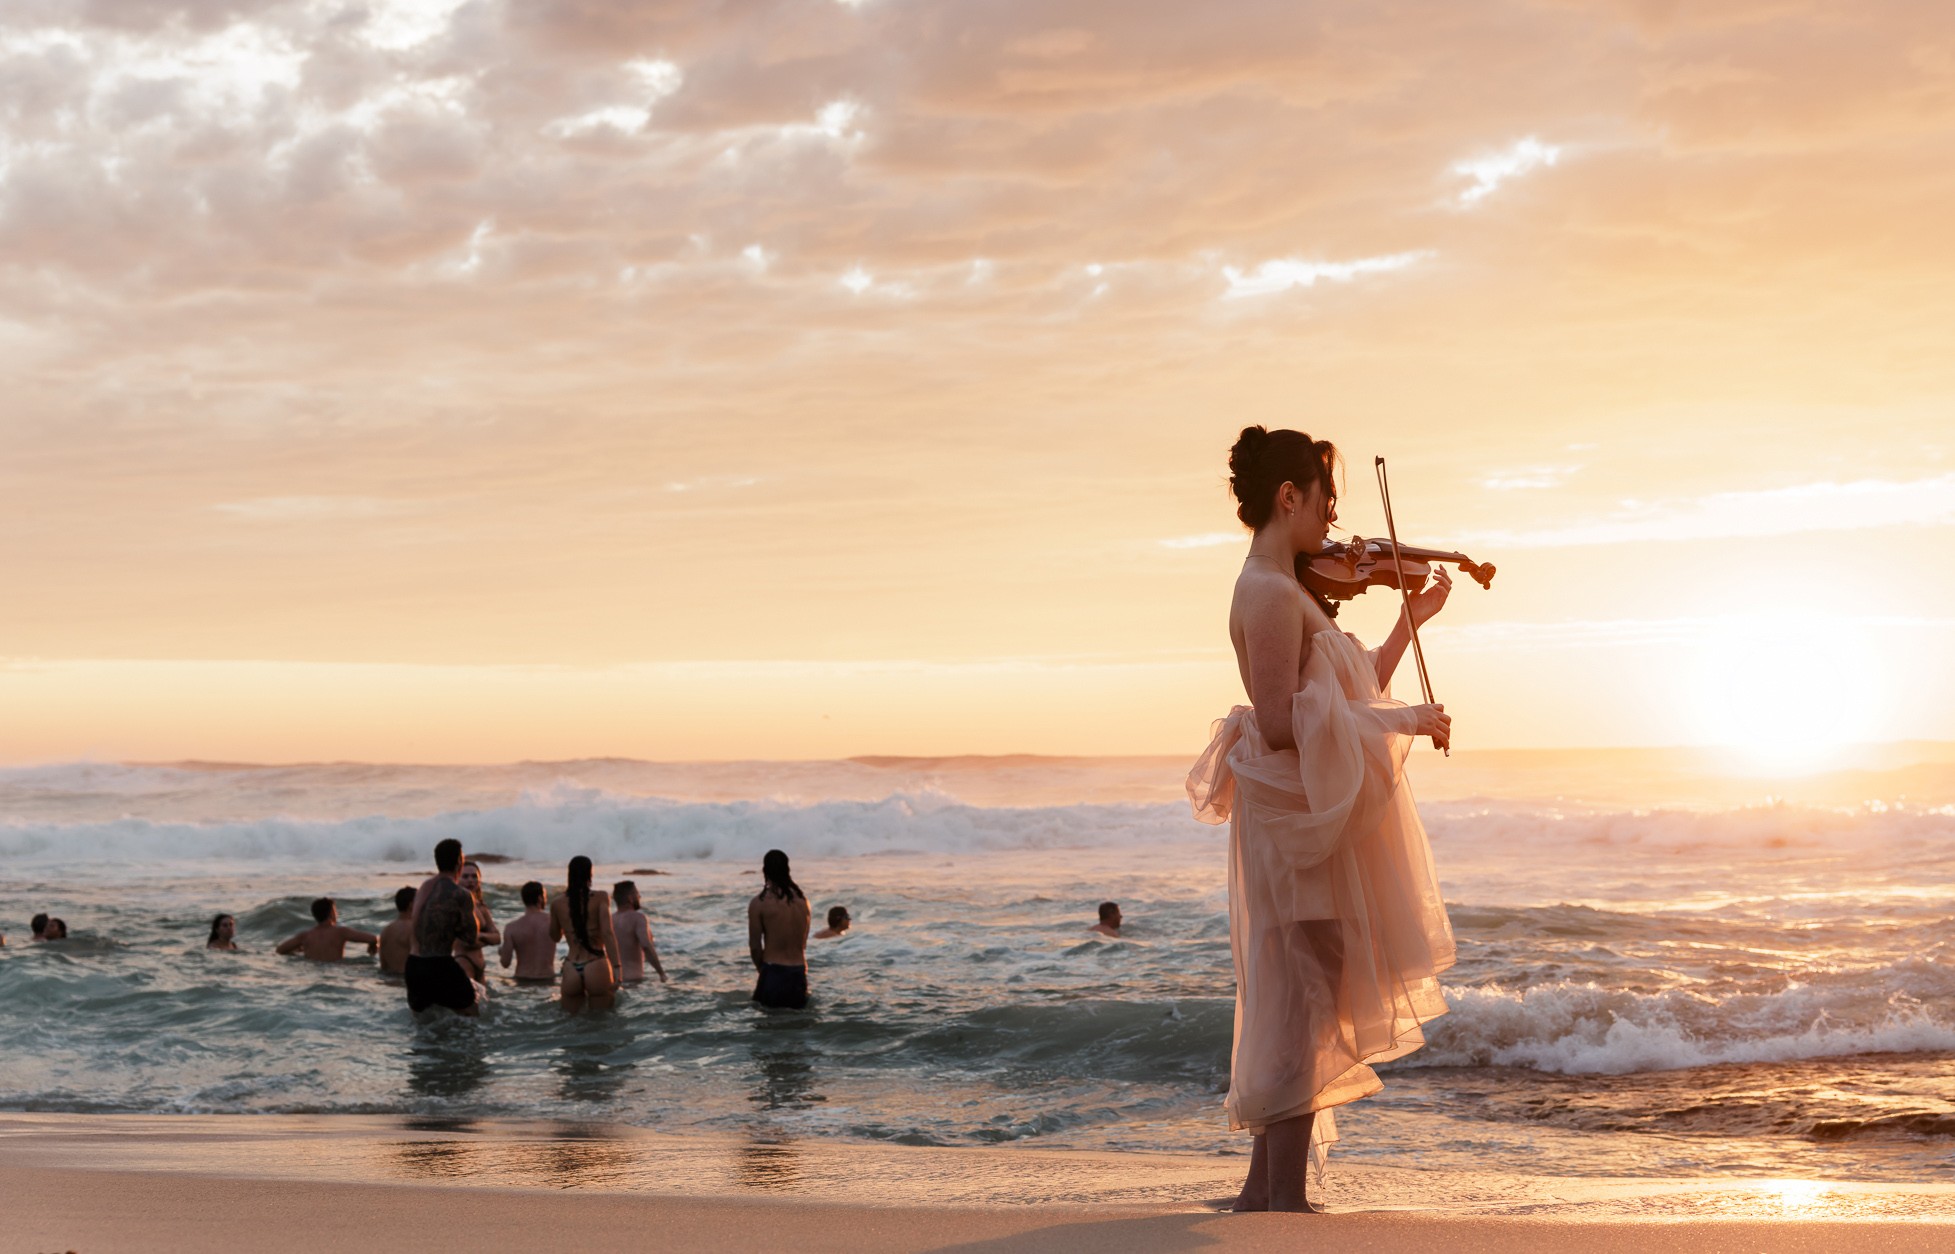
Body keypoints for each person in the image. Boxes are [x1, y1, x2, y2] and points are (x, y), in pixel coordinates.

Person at [1188, 426, 1456, 1213]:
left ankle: (1262, 1196)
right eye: (1325, 498)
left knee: (1307, 991)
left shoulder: (1289, 588)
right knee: (1301, 996)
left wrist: (1410, 625)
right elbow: (1279, 723)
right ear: (1287, 496)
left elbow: (1343, 691)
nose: (1334, 519)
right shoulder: (1267, 593)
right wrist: (1403, 719)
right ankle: (1280, 1200)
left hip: (1308, 821)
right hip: (1294, 822)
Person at [405, 838, 481, 1015]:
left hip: (414, 966)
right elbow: (471, 937)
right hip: (438, 963)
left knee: (424, 1020)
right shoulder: (461, 894)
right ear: (459, 863)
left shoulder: (424, 887)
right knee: (471, 1011)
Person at [550, 856, 617, 1010]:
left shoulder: (557, 903)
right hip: (596, 964)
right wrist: (617, 968)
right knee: (602, 1022)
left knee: (571, 1025)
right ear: (590, 874)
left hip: (571, 967)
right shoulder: (601, 897)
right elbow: (608, 933)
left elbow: (555, 936)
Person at [748, 849, 811, 1009]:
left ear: (765, 871)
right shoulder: (803, 902)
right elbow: (803, 942)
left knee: (768, 1029)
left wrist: (762, 971)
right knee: (797, 1027)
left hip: (773, 971)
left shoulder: (759, 903)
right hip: (798, 972)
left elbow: (755, 947)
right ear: (787, 870)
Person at [275, 898, 379, 961]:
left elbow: (280, 950)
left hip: (312, 969)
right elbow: (373, 938)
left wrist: (297, 950)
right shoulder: (341, 932)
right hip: (335, 969)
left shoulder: (305, 936)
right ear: (331, 913)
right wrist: (373, 946)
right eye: (335, 911)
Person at [499, 882, 558, 982]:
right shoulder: (554, 922)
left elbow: (505, 963)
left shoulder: (511, 928)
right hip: (547, 979)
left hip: (522, 980)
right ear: (540, 898)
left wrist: (501, 952)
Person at [610, 881, 667, 984]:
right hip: (633, 980)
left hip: (614, 979)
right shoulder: (638, 918)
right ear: (630, 898)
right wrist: (661, 973)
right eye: (637, 893)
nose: (639, 896)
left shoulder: (610, 919)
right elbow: (646, 946)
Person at [454, 860, 501, 986]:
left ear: (479, 880)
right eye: (465, 876)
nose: (470, 880)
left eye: (474, 876)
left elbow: (497, 938)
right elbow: (468, 942)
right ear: (457, 879)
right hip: (463, 961)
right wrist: (486, 939)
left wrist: (480, 936)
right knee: (467, 1004)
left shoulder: (481, 907)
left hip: (480, 966)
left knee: (484, 1005)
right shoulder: (456, 906)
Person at [377, 887, 417, 975]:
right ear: (411, 905)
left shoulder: (386, 931)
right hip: (405, 982)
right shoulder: (413, 929)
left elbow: (383, 966)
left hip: (389, 981)